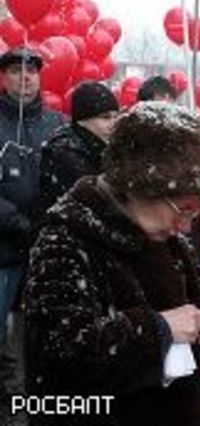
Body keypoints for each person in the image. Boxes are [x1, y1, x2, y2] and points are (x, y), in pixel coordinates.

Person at [24, 102, 200, 426]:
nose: (186, 226)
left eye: (196, 212)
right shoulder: (66, 242)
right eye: (183, 209)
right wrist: (158, 330)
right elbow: (63, 360)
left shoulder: (168, 240)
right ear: (142, 185)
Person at [0, 47, 64, 394]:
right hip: (4, 250)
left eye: (31, 71)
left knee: (43, 328)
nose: (25, 77)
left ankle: (35, 393)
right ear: (3, 77)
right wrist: (18, 224)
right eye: (15, 70)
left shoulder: (56, 124)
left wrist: (48, 223)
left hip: (45, 247)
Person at [39, 81, 120, 215]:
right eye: (105, 117)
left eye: (116, 116)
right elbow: (99, 204)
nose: (114, 123)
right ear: (82, 120)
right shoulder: (66, 154)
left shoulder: (96, 145)